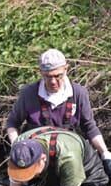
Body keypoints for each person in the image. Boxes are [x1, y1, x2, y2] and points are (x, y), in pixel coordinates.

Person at [6, 49, 111, 178]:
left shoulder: (78, 93)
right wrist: (18, 147)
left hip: (70, 158)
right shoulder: (29, 93)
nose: (53, 82)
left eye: (58, 76)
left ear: (66, 69)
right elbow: (12, 123)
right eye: (48, 76)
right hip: (40, 161)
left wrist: (105, 153)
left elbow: (89, 127)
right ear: (41, 72)